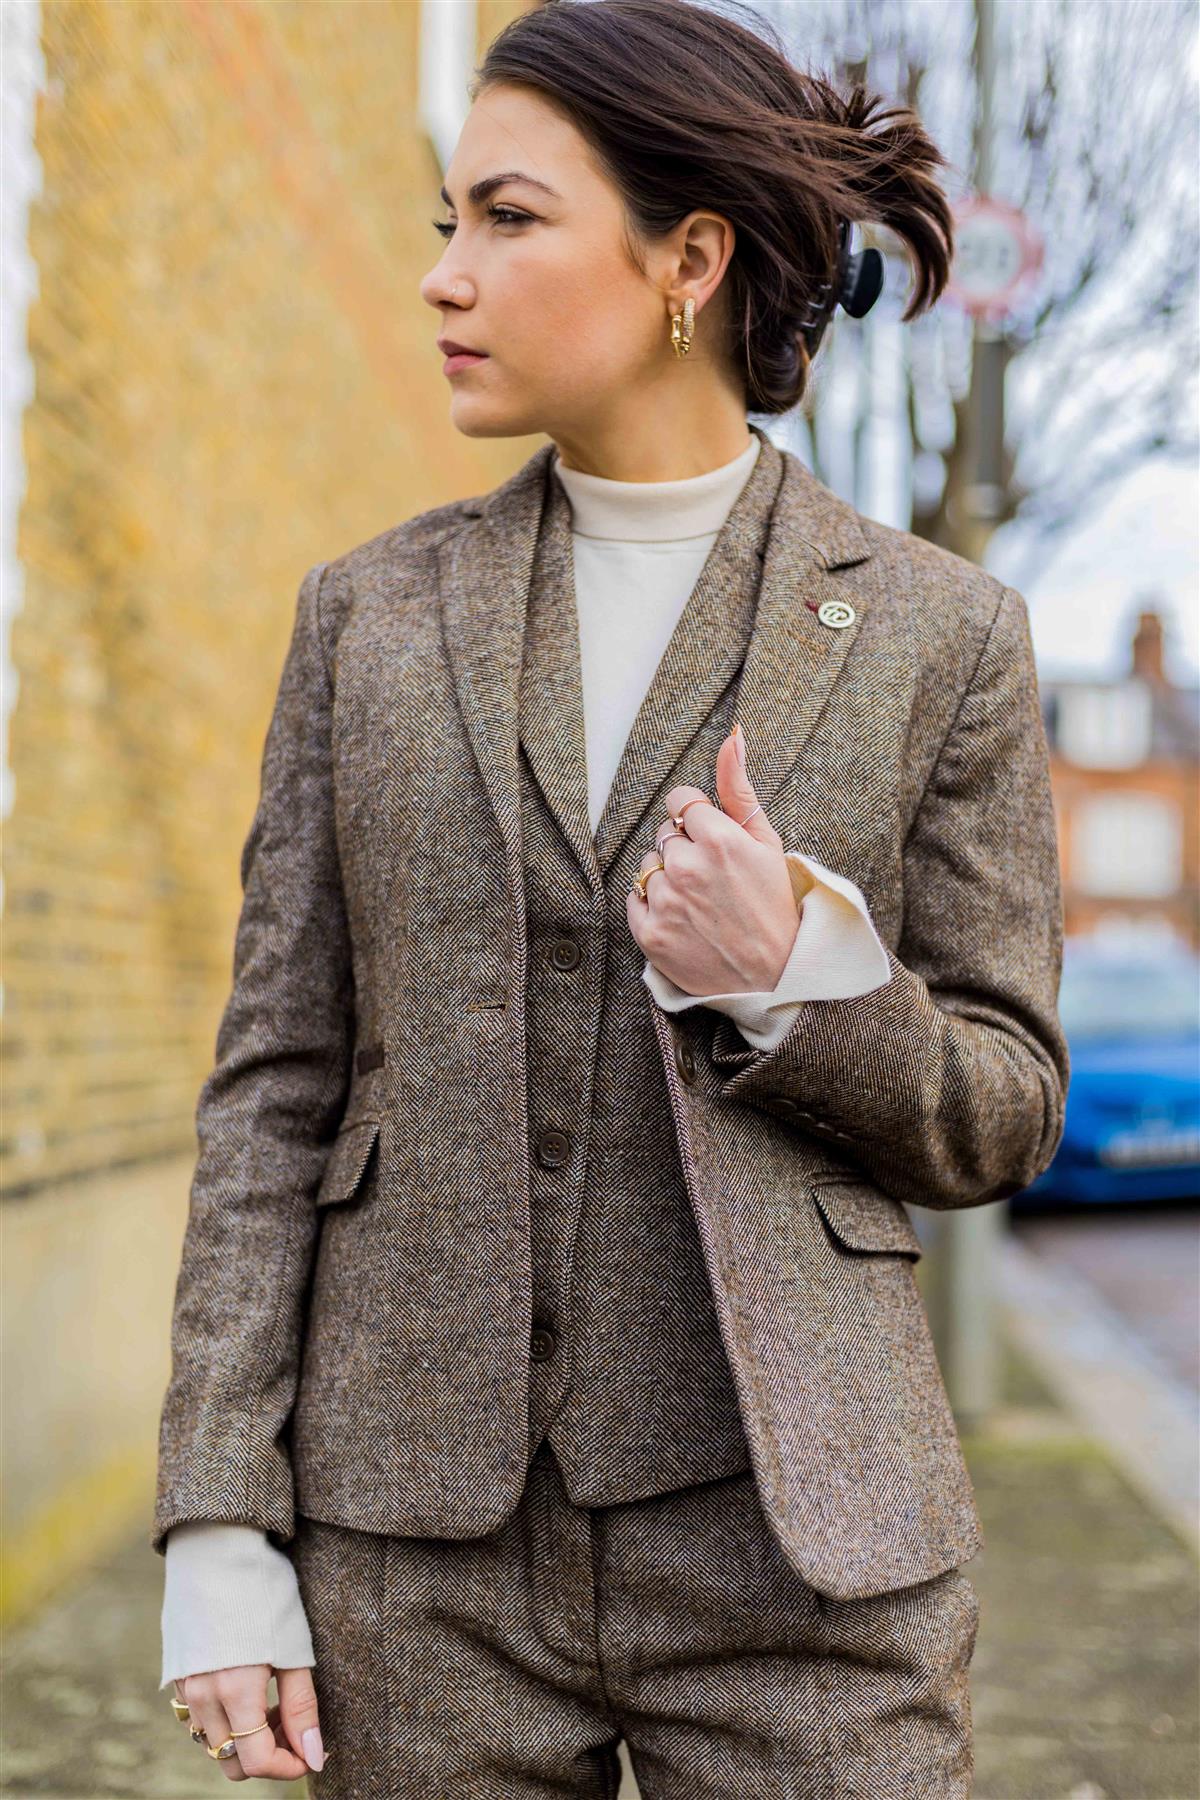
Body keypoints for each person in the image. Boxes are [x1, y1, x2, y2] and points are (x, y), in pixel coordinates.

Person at [153, 1, 1070, 1792]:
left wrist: (801, 980)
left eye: (508, 218)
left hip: (805, 1560)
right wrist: (218, 1526)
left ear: (689, 262)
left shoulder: (939, 635)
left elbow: (1007, 1107)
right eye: (449, 222)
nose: (445, 275)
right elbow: (274, 1091)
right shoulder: (367, 619)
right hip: (417, 1561)